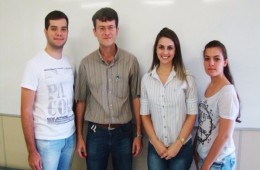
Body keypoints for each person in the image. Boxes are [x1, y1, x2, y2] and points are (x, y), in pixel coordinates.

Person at [75, 7, 142, 170]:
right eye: (102, 28)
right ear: (94, 32)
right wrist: (80, 137)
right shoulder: (85, 64)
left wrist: (138, 135)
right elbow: (81, 101)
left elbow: (136, 99)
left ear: (117, 30)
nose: (106, 32)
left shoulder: (131, 61)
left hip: (124, 134)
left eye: (110, 27)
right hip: (96, 133)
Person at [20, 10, 76, 170]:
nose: (59, 33)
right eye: (54, 28)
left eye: (63, 29)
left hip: (69, 137)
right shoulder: (34, 64)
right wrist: (31, 151)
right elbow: (25, 110)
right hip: (46, 140)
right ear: (45, 31)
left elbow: (72, 99)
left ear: (67, 32)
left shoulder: (71, 62)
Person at [140, 27, 198, 170]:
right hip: (156, 148)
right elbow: (145, 115)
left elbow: (192, 115)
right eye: (161, 47)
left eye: (170, 48)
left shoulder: (187, 78)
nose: (165, 52)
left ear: (175, 50)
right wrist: (156, 142)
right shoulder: (147, 79)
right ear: (156, 49)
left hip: (182, 148)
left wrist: (178, 144)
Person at [194, 40, 240, 170]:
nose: (211, 63)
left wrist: (206, 165)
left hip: (219, 162)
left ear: (225, 62)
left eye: (217, 59)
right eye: (207, 58)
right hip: (207, 159)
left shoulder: (227, 92)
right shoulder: (210, 85)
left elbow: (225, 135)